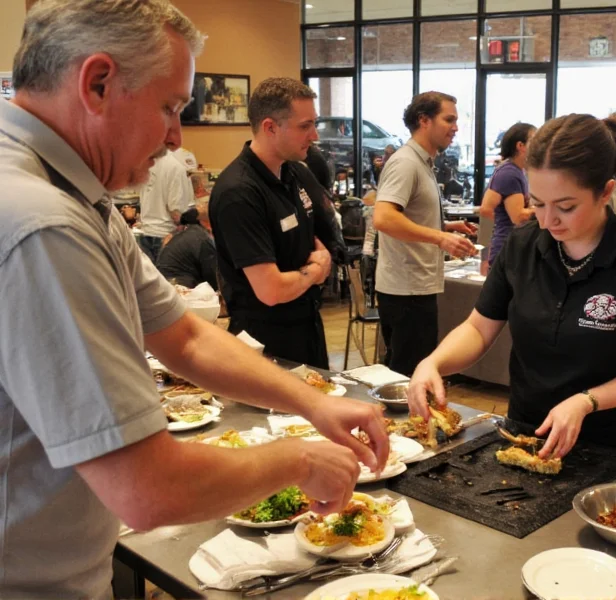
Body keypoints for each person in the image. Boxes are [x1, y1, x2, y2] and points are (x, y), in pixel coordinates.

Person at [0, 2, 387, 596]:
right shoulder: (43, 221)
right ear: (97, 83)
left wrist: (312, 404)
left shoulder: (75, 192)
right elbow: (145, 488)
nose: (178, 136)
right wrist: (299, 460)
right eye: (170, 107)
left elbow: (181, 334)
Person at [407, 113, 616, 456]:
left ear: (605, 192)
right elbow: (479, 328)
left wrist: (587, 401)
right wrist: (433, 363)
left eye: (566, 207)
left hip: (610, 446)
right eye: (537, 203)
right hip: (525, 433)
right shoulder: (523, 245)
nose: (548, 219)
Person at [210, 78, 345, 368]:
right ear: (270, 127)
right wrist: (316, 270)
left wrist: (325, 256)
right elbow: (270, 290)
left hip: (307, 327)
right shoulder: (239, 192)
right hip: (265, 344)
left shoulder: (295, 173)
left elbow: (326, 233)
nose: (314, 136)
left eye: (314, 124)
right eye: (304, 126)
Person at [373, 91, 478, 377]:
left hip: (416, 286)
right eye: (449, 119)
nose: (455, 127)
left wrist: (444, 227)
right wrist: (439, 238)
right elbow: (383, 218)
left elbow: (408, 217)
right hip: (406, 290)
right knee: (409, 374)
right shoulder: (406, 162)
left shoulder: (423, 162)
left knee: (412, 370)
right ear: (424, 120)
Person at [479, 122, 536, 268]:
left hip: (509, 247)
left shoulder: (515, 170)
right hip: (507, 251)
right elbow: (518, 217)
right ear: (520, 146)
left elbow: (486, 209)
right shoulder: (509, 173)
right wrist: (545, 208)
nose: (538, 146)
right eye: (534, 141)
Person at [138, 147, 194, 262]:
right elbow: (176, 212)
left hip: (145, 233)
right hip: (166, 236)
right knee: (167, 278)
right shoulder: (176, 168)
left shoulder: (146, 163)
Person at [157, 196, 218, 290]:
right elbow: (212, 276)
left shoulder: (192, 234)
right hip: (180, 286)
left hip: (167, 284)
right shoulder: (201, 238)